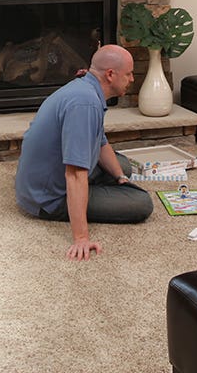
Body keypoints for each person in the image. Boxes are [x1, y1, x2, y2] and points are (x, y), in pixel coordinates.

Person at [14, 44, 154, 260]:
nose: (132, 79)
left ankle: (108, 184)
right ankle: (83, 199)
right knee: (141, 203)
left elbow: (100, 142)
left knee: (123, 166)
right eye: (128, 74)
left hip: (41, 179)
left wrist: (121, 178)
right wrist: (81, 237)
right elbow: (75, 173)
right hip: (47, 199)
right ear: (110, 75)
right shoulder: (85, 104)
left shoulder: (85, 88)